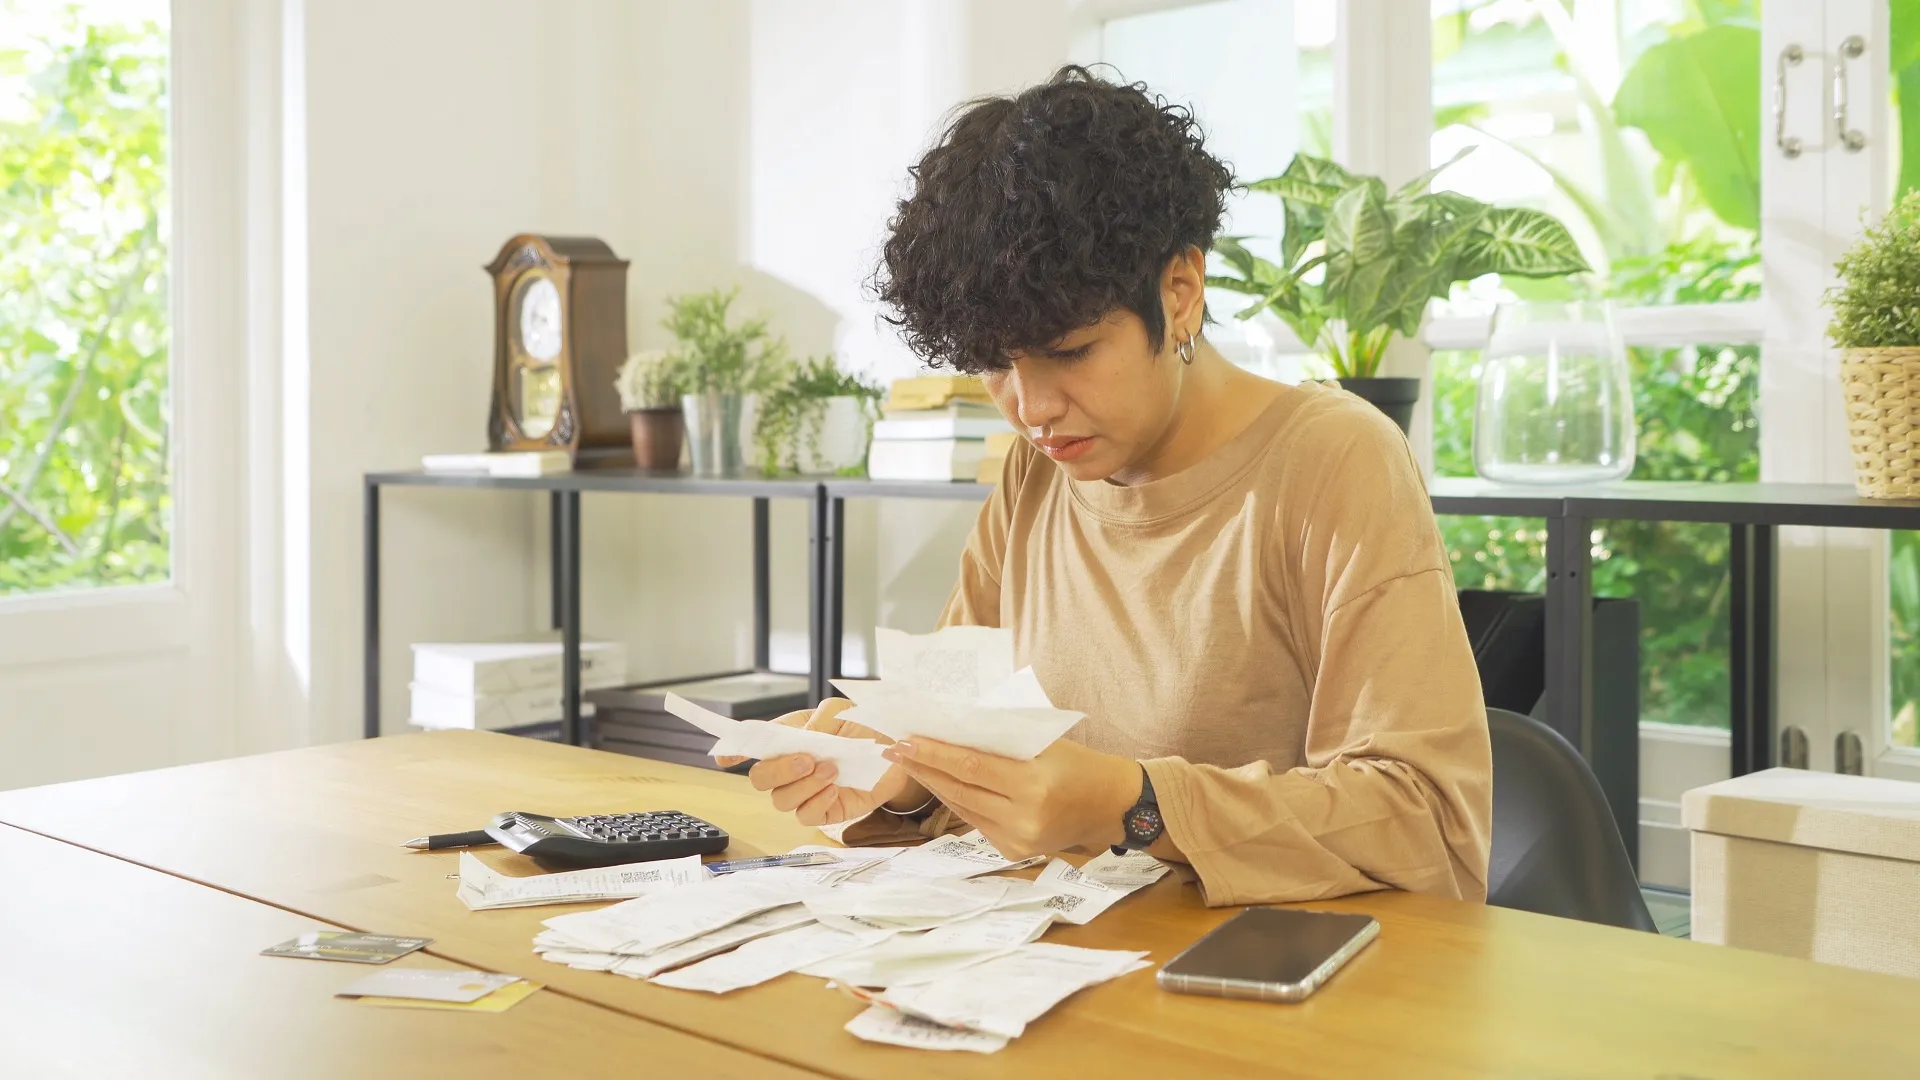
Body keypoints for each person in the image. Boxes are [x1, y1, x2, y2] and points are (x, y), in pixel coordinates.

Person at [721, 66, 1492, 905]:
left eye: (1072, 350)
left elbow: (1426, 827)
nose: (1032, 408)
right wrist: (895, 770)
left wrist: (1133, 805)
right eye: (994, 366)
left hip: (1270, 993)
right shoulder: (1036, 470)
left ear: (1181, 290)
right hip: (1067, 966)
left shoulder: (1336, 462)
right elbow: (957, 725)